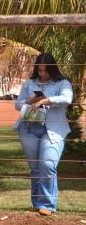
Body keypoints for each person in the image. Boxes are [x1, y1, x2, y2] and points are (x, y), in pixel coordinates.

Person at [14, 53, 73, 216]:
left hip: (53, 130)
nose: (42, 74)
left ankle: (48, 204)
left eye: (46, 71)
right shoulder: (29, 83)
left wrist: (45, 101)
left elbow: (67, 98)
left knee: (47, 164)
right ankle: (37, 203)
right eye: (39, 71)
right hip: (29, 128)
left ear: (53, 69)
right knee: (35, 168)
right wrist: (31, 100)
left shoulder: (63, 83)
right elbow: (17, 105)